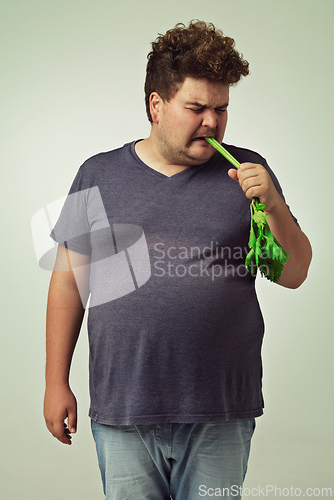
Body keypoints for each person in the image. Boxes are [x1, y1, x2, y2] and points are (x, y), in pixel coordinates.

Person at [43, 20, 312, 500]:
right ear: (156, 105)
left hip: (219, 412)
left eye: (222, 109)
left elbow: (292, 273)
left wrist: (272, 204)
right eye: (197, 108)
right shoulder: (97, 173)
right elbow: (68, 283)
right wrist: (55, 382)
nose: (212, 122)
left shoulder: (248, 175)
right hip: (124, 408)